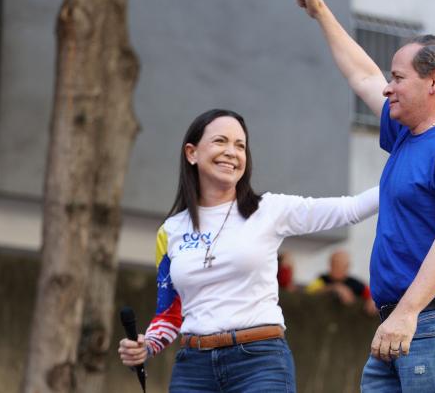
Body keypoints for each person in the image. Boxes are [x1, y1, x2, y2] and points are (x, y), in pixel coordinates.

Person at [294, 0, 435, 392]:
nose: (388, 87)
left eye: (399, 78)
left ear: (434, 80)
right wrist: (322, 13)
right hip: (402, 321)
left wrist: (408, 312)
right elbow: (362, 75)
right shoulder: (408, 135)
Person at [118, 109, 378, 393]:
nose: (232, 152)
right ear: (191, 153)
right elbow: (169, 312)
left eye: (240, 145)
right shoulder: (170, 231)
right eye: (220, 141)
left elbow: (350, 209)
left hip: (260, 362)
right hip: (193, 368)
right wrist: (147, 345)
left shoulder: (268, 210)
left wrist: (407, 173)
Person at [305, 249, 377, 315]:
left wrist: (372, 300)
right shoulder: (322, 279)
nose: (336, 267)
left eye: (340, 264)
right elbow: (309, 292)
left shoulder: (355, 283)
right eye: (334, 263)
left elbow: (371, 294)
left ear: (347, 267)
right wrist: (335, 287)